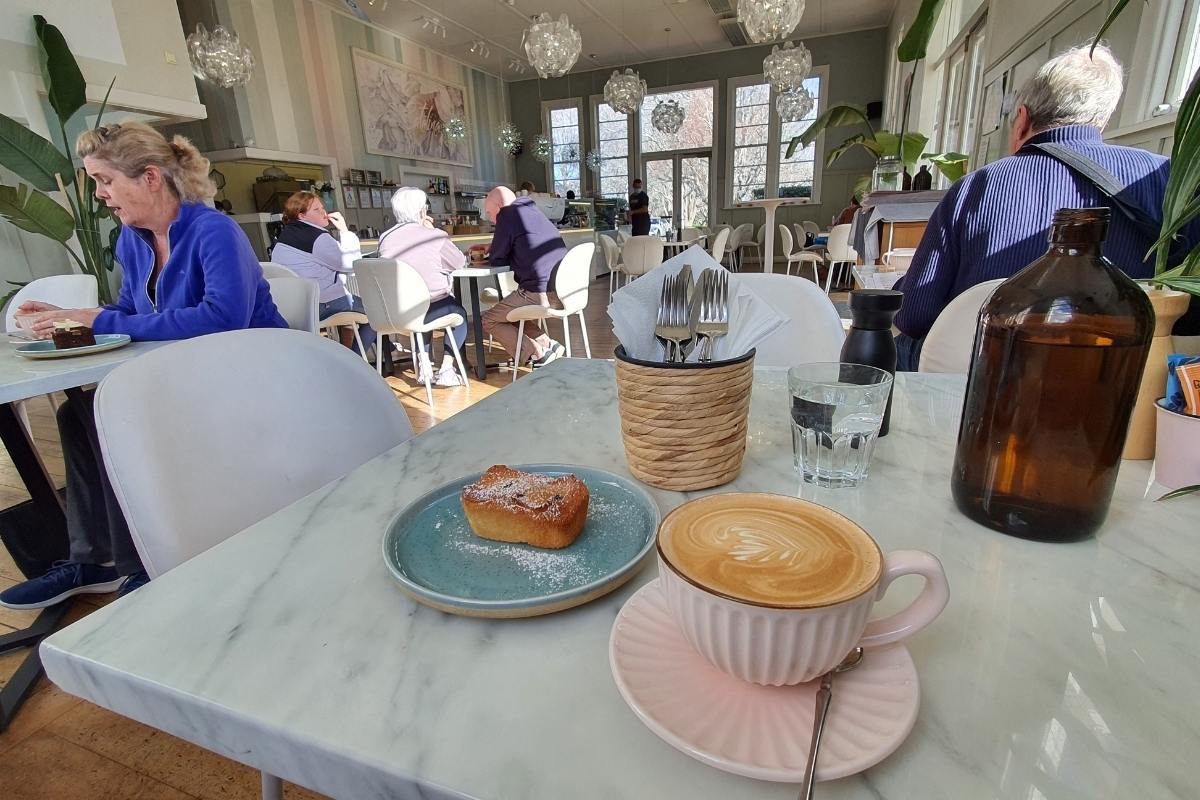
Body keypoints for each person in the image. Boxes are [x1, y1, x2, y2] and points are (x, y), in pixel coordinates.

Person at [0, 122, 287, 610]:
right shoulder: (131, 240)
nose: (101, 195)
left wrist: (103, 318)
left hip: (253, 373)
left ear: (150, 177)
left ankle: (139, 566)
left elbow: (224, 318)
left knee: (110, 414)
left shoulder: (213, 230)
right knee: (79, 413)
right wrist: (63, 320)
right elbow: (132, 316)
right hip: (186, 374)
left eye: (104, 181)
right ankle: (94, 560)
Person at [893, 44, 1199, 370]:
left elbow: (915, 316)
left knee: (891, 345)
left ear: (1022, 119)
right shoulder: (1170, 182)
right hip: (1114, 386)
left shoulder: (975, 187)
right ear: (1101, 120)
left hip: (978, 383)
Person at [377, 187, 470, 387]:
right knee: (459, 316)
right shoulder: (434, 236)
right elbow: (459, 261)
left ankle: (424, 365)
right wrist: (432, 231)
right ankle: (446, 368)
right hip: (430, 304)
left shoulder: (385, 238)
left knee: (424, 312)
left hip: (398, 310)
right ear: (422, 211)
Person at [470, 186, 566, 367]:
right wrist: (494, 246)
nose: (491, 219)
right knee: (510, 314)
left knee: (489, 320)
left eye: (490, 213)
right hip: (560, 291)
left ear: (499, 206)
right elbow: (522, 242)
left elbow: (498, 259)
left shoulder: (508, 214)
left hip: (538, 293)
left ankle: (536, 354)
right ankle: (549, 345)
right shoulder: (531, 210)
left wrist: (491, 251)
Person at [270, 191, 375, 356]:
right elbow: (350, 264)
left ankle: (374, 352)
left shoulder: (283, 238)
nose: (324, 213)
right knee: (376, 311)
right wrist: (345, 231)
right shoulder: (317, 237)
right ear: (302, 215)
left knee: (350, 302)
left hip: (293, 306)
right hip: (320, 304)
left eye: (322, 208)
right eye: (317, 210)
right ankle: (355, 360)